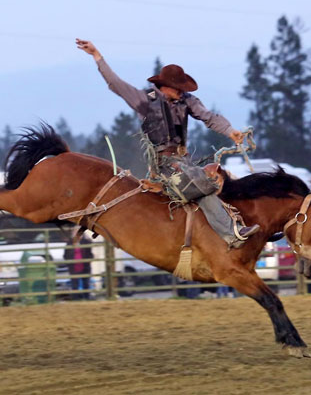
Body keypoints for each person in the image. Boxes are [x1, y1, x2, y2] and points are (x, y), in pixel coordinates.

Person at [76, 38, 259, 248]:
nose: (181, 91)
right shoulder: (145, 99)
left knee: (218, 179)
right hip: (164, 165)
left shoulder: (187, 101)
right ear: (165, 86)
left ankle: (239, 225)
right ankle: (231, 234)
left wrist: (230, 131)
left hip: (183, 161)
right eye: (177, 88)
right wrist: (97, 56)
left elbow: (208, 117)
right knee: (202, 185)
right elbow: (116, 85)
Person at [63, 230, 94, 300]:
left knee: (86, 282)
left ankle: (87, 297)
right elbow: (66, 255)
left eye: (79, 233)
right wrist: (69, 263)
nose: (77, 235)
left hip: (85, 266)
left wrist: (89, 260)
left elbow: (90, 253)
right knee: (75, 283)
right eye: (75, 233)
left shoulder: (86, 241)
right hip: (74, 267)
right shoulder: (69, 243)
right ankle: (75, 298)